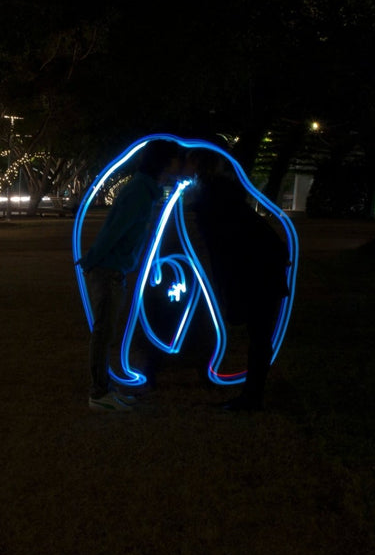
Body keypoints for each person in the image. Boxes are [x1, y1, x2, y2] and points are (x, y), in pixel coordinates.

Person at [78, 139, 182, 412]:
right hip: (108, 270)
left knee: (106, 332)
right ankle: (99, 394)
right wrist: (92, 260)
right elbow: (115, 230)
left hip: (114, 269)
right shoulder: (139, 192)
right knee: (103, 334)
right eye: (174, 160)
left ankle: (105, 390)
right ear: (163, 162)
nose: (178, 165)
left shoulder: (146, 190)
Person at [183, 147, 290, 411]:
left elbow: (225, 245)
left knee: (259, 334)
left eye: (187, 163)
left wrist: (227, 287)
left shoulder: (212, 199)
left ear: (196, 166)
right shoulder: (220, 193)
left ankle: (252, 398)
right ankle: (252, 395)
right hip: (261, 266)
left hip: (256, 269)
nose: (182, 168)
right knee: (259, 334)